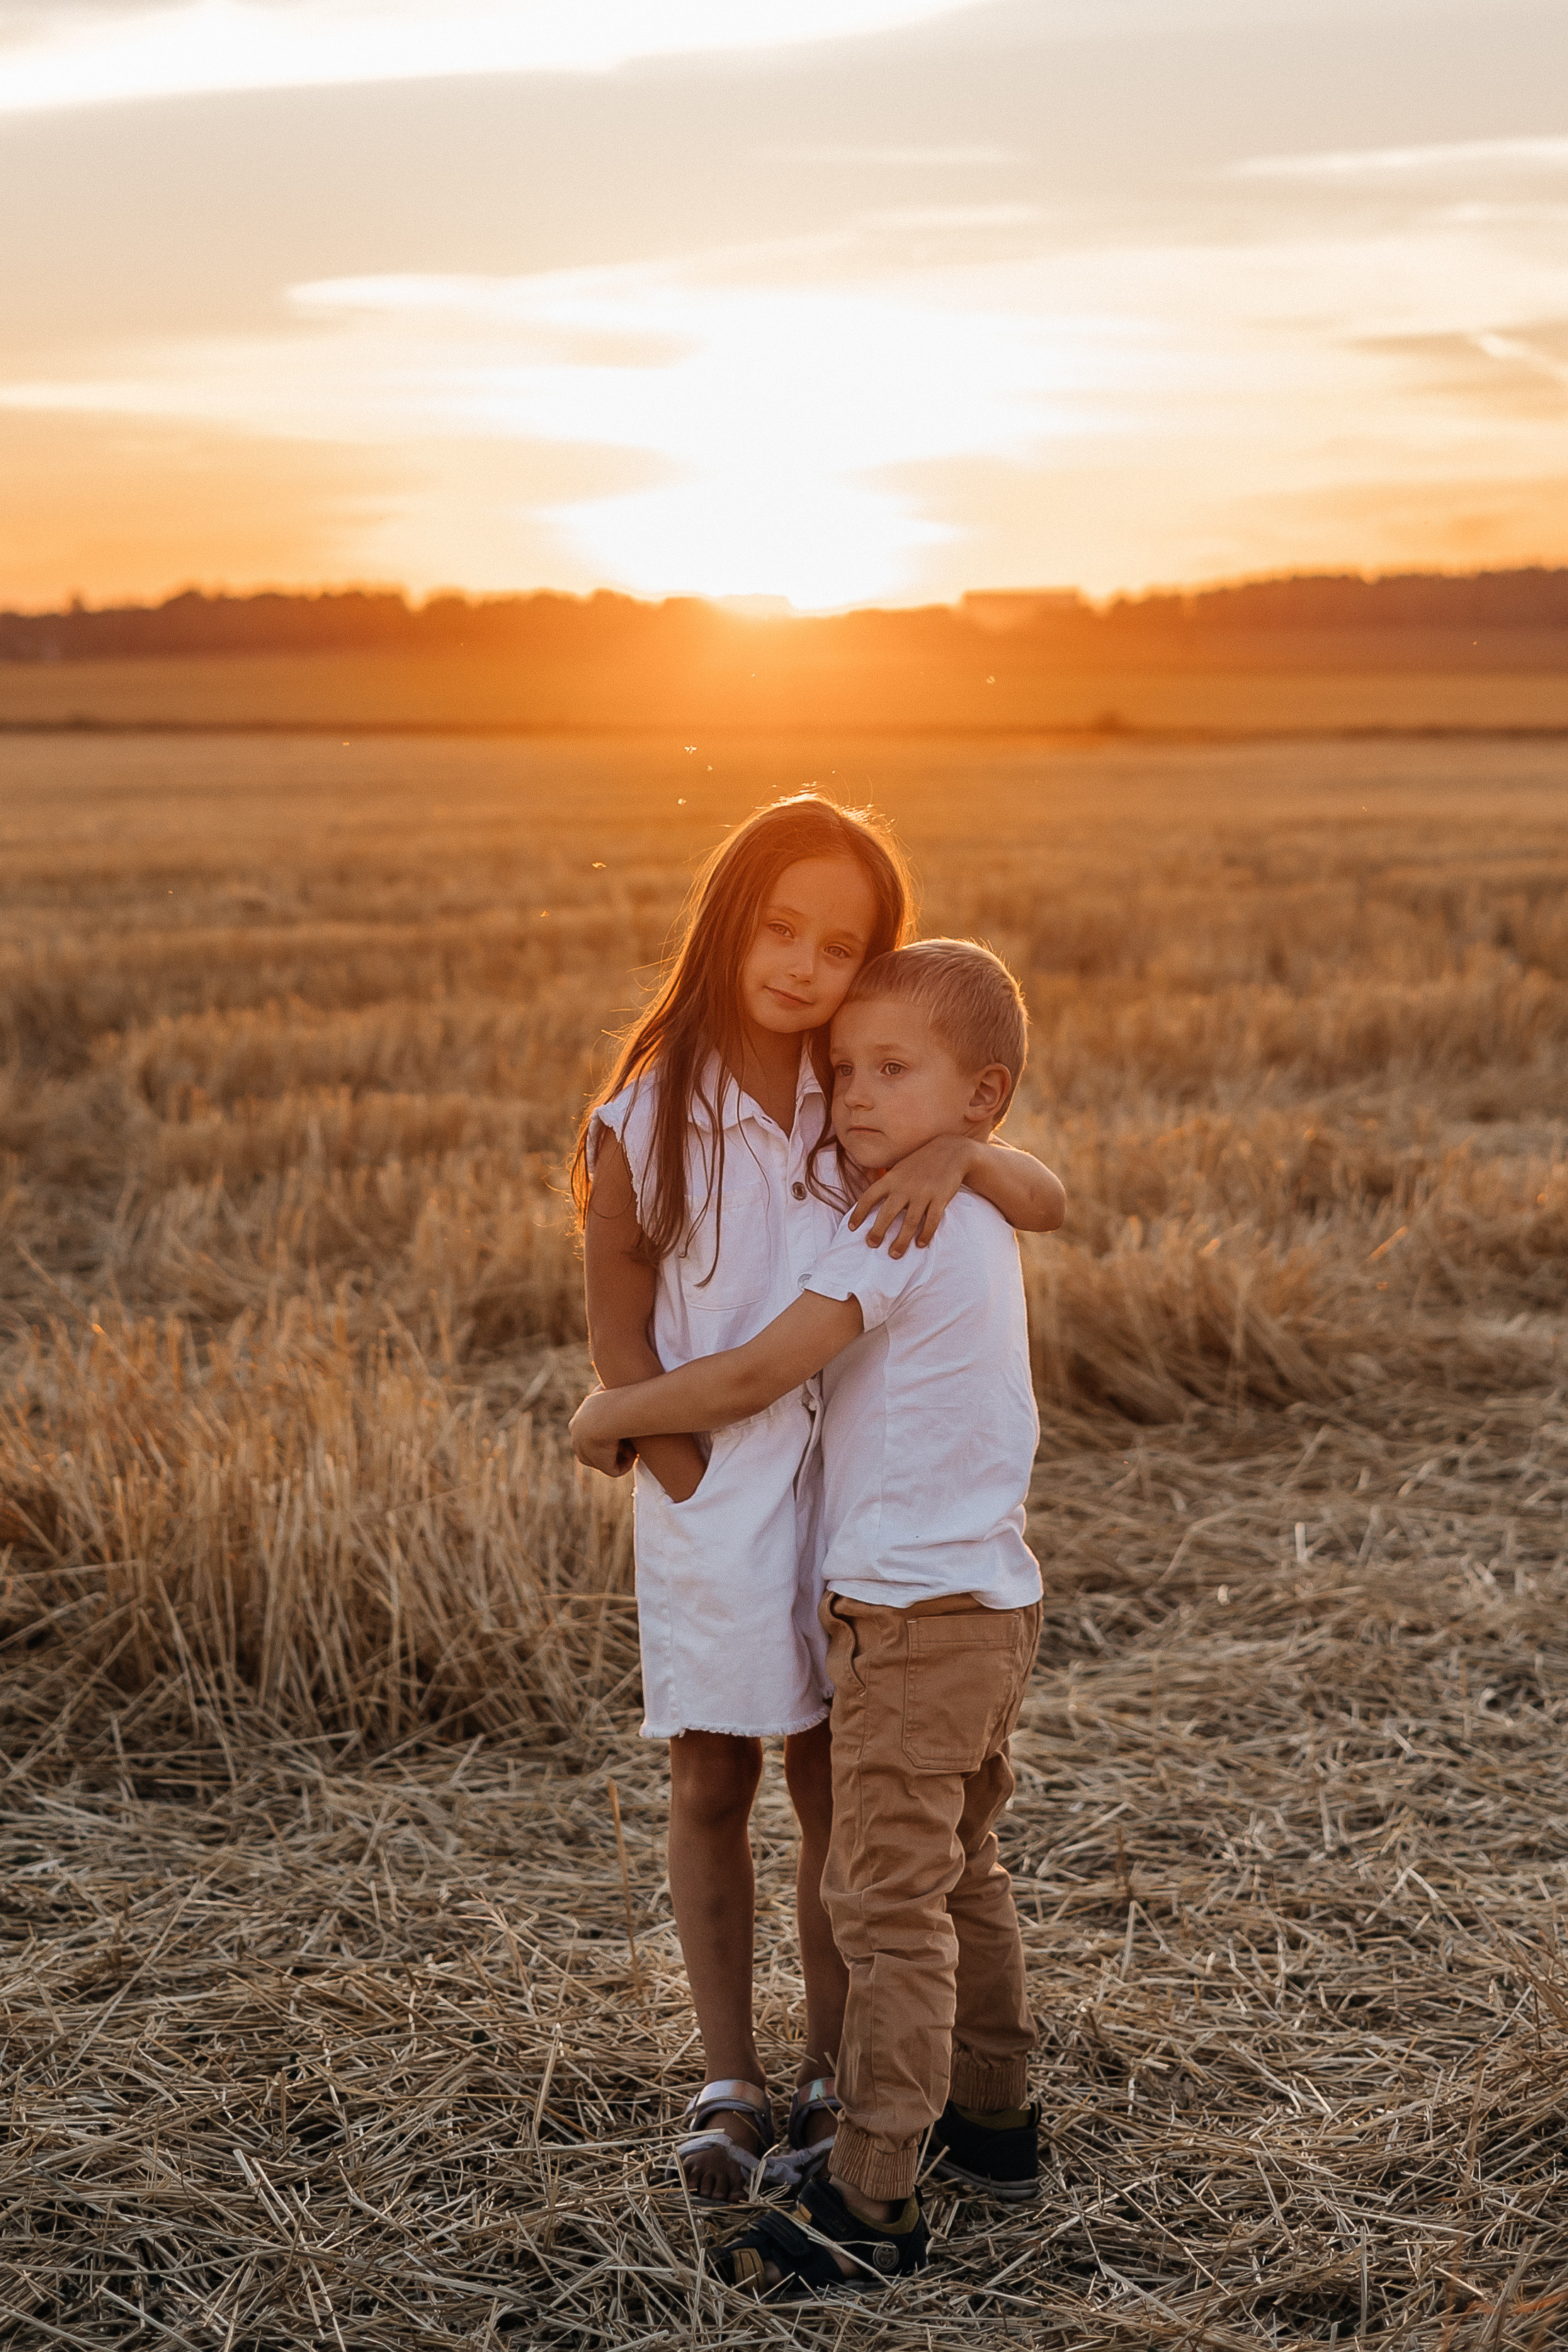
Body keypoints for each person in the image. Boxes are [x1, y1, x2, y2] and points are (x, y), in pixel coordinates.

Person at [571, 803, 1064, 2208]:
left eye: (840, 943)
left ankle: (841, 2066)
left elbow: (1039, 1188)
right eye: (780, 926)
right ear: (728, 917)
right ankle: (730, 2073)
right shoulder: (647, 1109)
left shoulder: (860, 1099)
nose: (802, 963)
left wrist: (960, 1153)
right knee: (716, 1773)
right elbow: (617, 1311)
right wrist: (670, 1461)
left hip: (848, 1501)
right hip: (716, 1482)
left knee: (839, 1790)